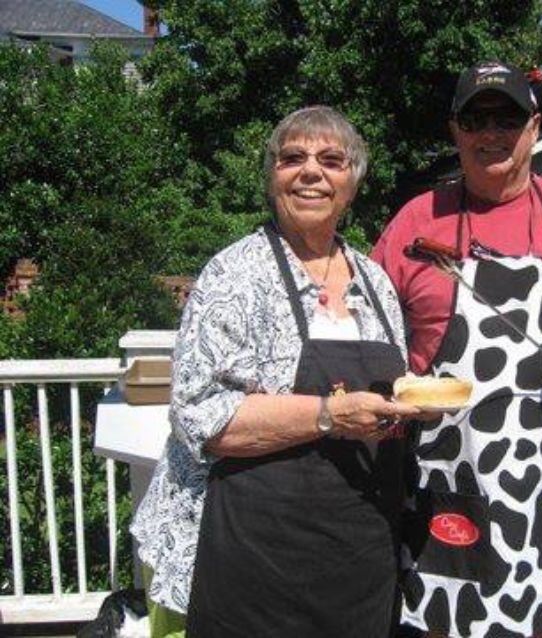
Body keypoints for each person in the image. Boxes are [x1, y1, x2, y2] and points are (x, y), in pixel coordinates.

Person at [372, 62, 542, 637]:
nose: (491, 133)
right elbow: (368, 334)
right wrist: (394, 389)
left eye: (508, 118)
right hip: (450, 489)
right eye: (477, 118)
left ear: (535, 128)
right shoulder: (415, 221)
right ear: (456, 131)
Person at [131, 106, 424, 638]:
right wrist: (330, 414)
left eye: (332, 160)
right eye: (293, 158)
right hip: (253, 557)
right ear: (273, 178)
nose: (311, 171)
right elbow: (201, 418)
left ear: (352, 184)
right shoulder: (234, 274)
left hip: (360, 555)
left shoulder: (377, 283)